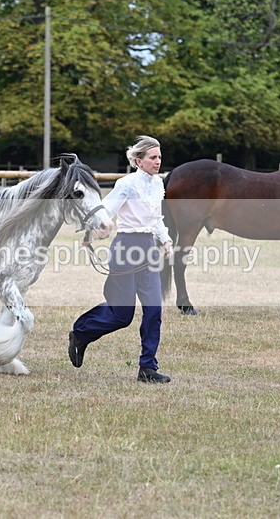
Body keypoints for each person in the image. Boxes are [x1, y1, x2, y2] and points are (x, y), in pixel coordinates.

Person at [68, 135, 173, 383]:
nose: (158, 161)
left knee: (153, 311)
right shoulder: (126, 184)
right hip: (126, 247)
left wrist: (166, 239)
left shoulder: (158, 185)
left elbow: (156, 219)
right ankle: (80, 333)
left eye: (159, 157)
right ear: (139, 161)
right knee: (121, 314)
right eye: (153, 157)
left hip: (149, 248)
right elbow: (106, 214)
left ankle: (147, 368)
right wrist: (91, 234)